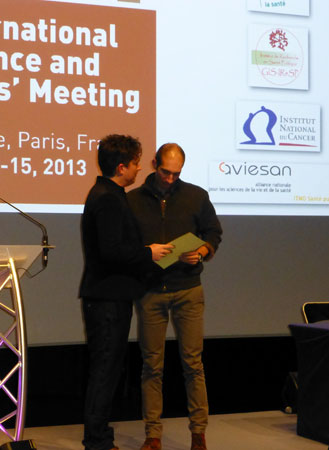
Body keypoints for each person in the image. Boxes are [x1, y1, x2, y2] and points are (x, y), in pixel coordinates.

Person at [79, 134, 173, 450]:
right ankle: (97, 441)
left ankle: (99, 437)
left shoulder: (110, 193)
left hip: (111, 296)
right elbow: (111, 251)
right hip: (107, 298)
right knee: (105, 370)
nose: (138, 169)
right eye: (135, 163)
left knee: (107, 369)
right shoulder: (107, 197)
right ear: (121, 167)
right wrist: (149, 253)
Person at [127, 143, 222, 450]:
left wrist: (202, 251)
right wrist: (147, 253)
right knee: (152, 366)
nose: (169, 178)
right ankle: (153, 434)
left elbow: (213, 232)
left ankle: (198, 433)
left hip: (188, 289)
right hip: (151, 291)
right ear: (154, 164)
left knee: (193, 363)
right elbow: (126, 245)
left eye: (176, 174)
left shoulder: (196, 196)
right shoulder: (133, 200)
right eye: (165, 172)